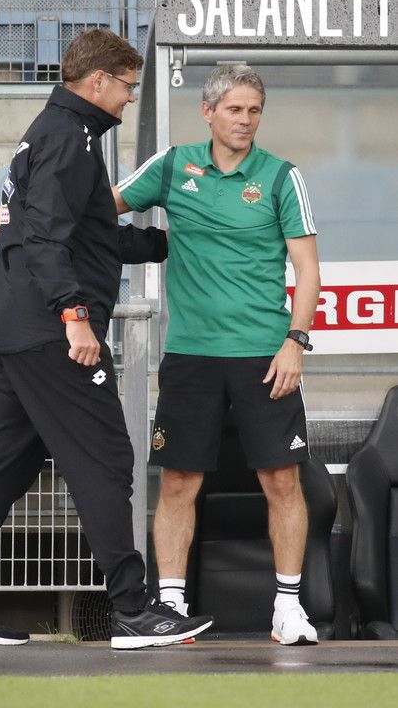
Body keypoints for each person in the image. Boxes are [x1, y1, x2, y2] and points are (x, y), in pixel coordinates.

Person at [0, 29, 212, 650]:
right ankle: (132, 611)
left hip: (18, 328)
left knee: (2, 469)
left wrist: (171, 242)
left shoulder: (57, 132)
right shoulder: (69, 138)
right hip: (51, 333)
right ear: (98, 80)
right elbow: (46, 237)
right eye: (128, 86)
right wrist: (74, 316)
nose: (130, 97)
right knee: (106, 459)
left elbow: (83, 234)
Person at [113, 64, 321, 646]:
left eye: (254, 110)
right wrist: (20, 216)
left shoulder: (282, 176)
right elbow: (99, 207)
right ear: (207, 112)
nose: (245, 120)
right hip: (191, 355)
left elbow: (307, 270)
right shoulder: (173, 165)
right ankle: (170, 604)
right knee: (179, 480)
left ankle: (288, 608)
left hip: (265, 354)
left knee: (282, 480)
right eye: (234, 109)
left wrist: (295, 342)